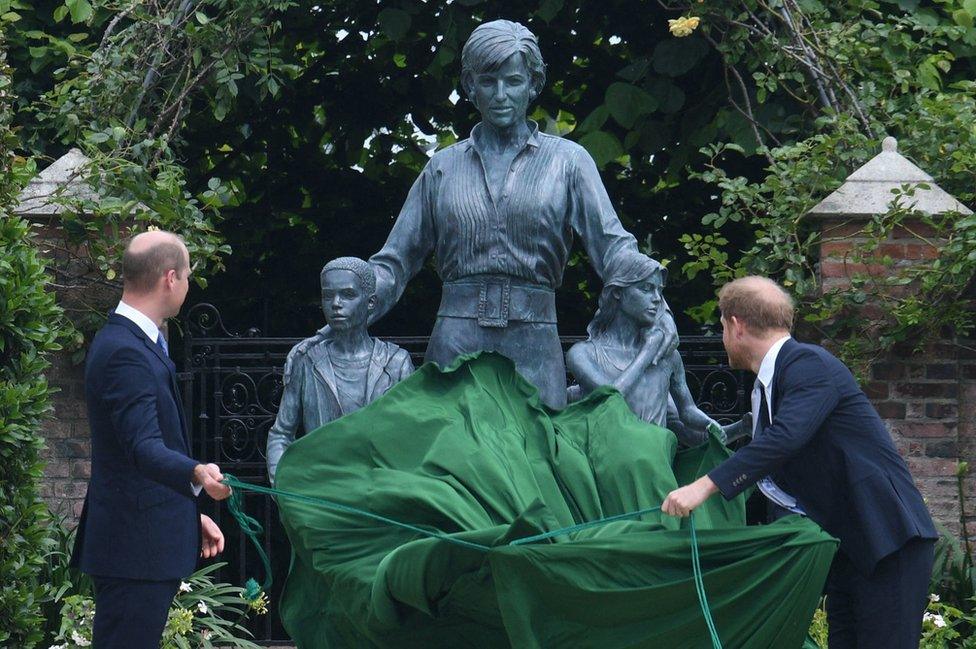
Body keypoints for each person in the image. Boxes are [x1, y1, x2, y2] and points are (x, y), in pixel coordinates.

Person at [301, 19, 676, 408]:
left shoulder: (568, 163)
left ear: (533, 84)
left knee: (536, 459)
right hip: (455, 342)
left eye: (513, 82)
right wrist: (345, 313)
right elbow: (394, 263)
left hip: (533, 341)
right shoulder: (442, 168)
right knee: (446, 457)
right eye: (488, 81)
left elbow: (613, 248)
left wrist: (657, 305)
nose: (501, 95)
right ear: (469, 85)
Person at [662, 276, 937, 649]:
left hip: (887, 540)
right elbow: (778, 475)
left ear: (736, 324)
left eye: (722, 325)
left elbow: (785, 439)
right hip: (851, 548)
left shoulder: (809, 364)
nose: (723, 335)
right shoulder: (774, 382)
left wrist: (703, 486)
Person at [70, 230, 233, 649]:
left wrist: (188, 516)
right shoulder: (125, 350)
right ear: (170, 278)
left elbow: (131, 459)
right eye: (188, 276)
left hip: (139, 542)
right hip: (133, 551)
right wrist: (197, 472)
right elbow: (142, 447)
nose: (187, 285)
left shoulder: (141, 342)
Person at [266, 257, 414, 483]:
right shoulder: (306, 362)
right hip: (321, 494)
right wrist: (284, 488)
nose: (336, 303)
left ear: (371, 302)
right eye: (328, 296)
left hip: (379, 497)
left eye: (347, 295)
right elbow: (281, 434)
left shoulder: (396, 363)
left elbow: (411, 437)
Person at [566, 254, 725, 447]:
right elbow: (610, 401)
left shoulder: (668, 356)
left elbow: (688, 414)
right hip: (605, 465)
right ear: (618, 292)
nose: (657, 299)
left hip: (657, 465)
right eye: (646, 289)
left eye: (659, 291)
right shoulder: (583, 354)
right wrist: (647, 352)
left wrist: (719, 426)